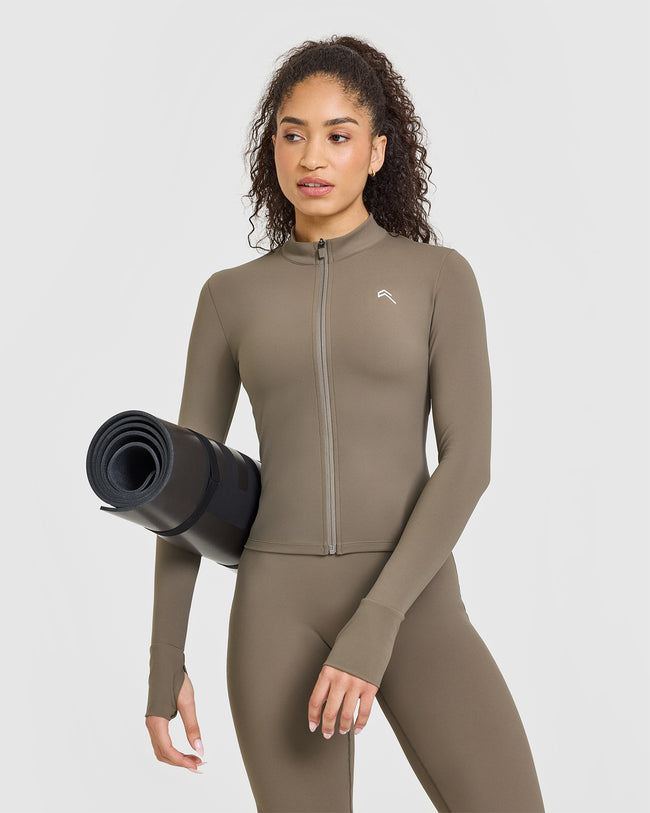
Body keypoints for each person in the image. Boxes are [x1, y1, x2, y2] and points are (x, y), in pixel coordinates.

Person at [144, 34, 546, 813]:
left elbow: (469, 462)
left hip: (415, 600)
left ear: (377, 152)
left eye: (338, 134)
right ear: (272, 147)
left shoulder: (437, 277)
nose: (312, 156)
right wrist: (166, 661)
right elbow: (180, 495)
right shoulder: (230, 297)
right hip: (277, 612)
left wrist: (378, 620)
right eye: (293, 133)